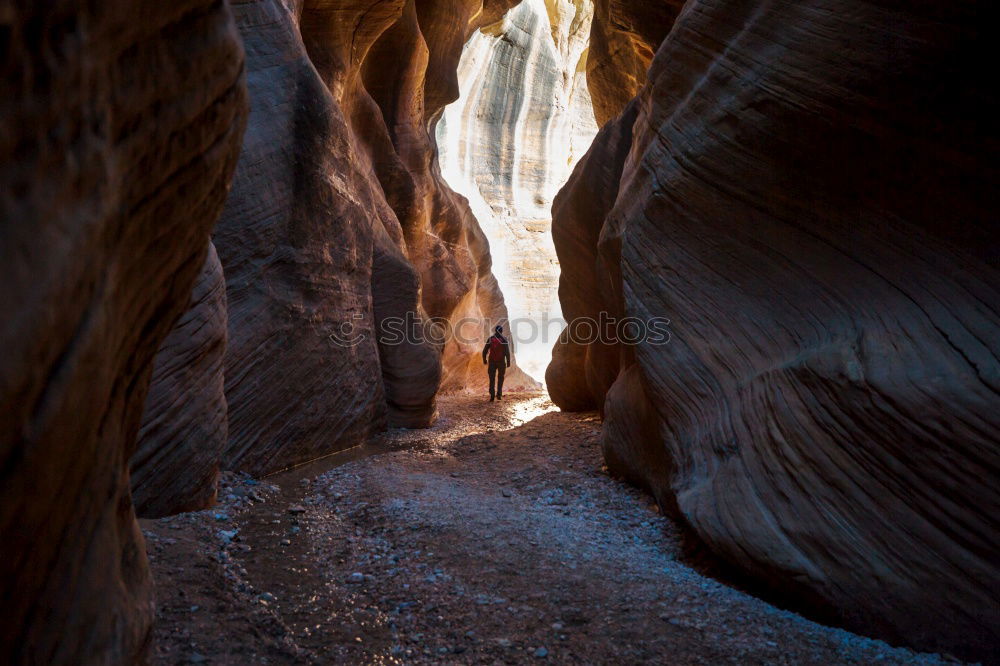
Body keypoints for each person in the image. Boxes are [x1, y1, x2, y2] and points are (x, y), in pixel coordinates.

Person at [482, 324, 510, 401]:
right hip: (501, 362)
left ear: (495, 330)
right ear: (502, 331)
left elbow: (484, 351)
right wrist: (508, 362)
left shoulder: (490, 339)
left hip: (492, 362)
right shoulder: (504, 340)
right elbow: (507, 352)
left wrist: (484, 359)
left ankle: (492, 396)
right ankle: (499, 395)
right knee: (500, 378)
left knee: (492, 379)